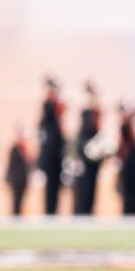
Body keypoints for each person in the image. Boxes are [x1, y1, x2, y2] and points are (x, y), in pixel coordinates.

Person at [72, 81, 104, 216]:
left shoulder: (97, 113)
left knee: (91, 188)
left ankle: (89, 212)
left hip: (94, 158)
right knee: (82, 188)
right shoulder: (85, 113)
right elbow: (81, 136)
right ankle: (80, 213)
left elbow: (97, 134)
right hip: (84, 155)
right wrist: (78, 155)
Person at [36, 75, 65, 216]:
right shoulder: (48, 105)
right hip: (49, 153)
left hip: (57, 153)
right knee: (49, 186)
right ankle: (49, 212)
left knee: (56, 185)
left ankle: (54, 211)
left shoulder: (59, 105)